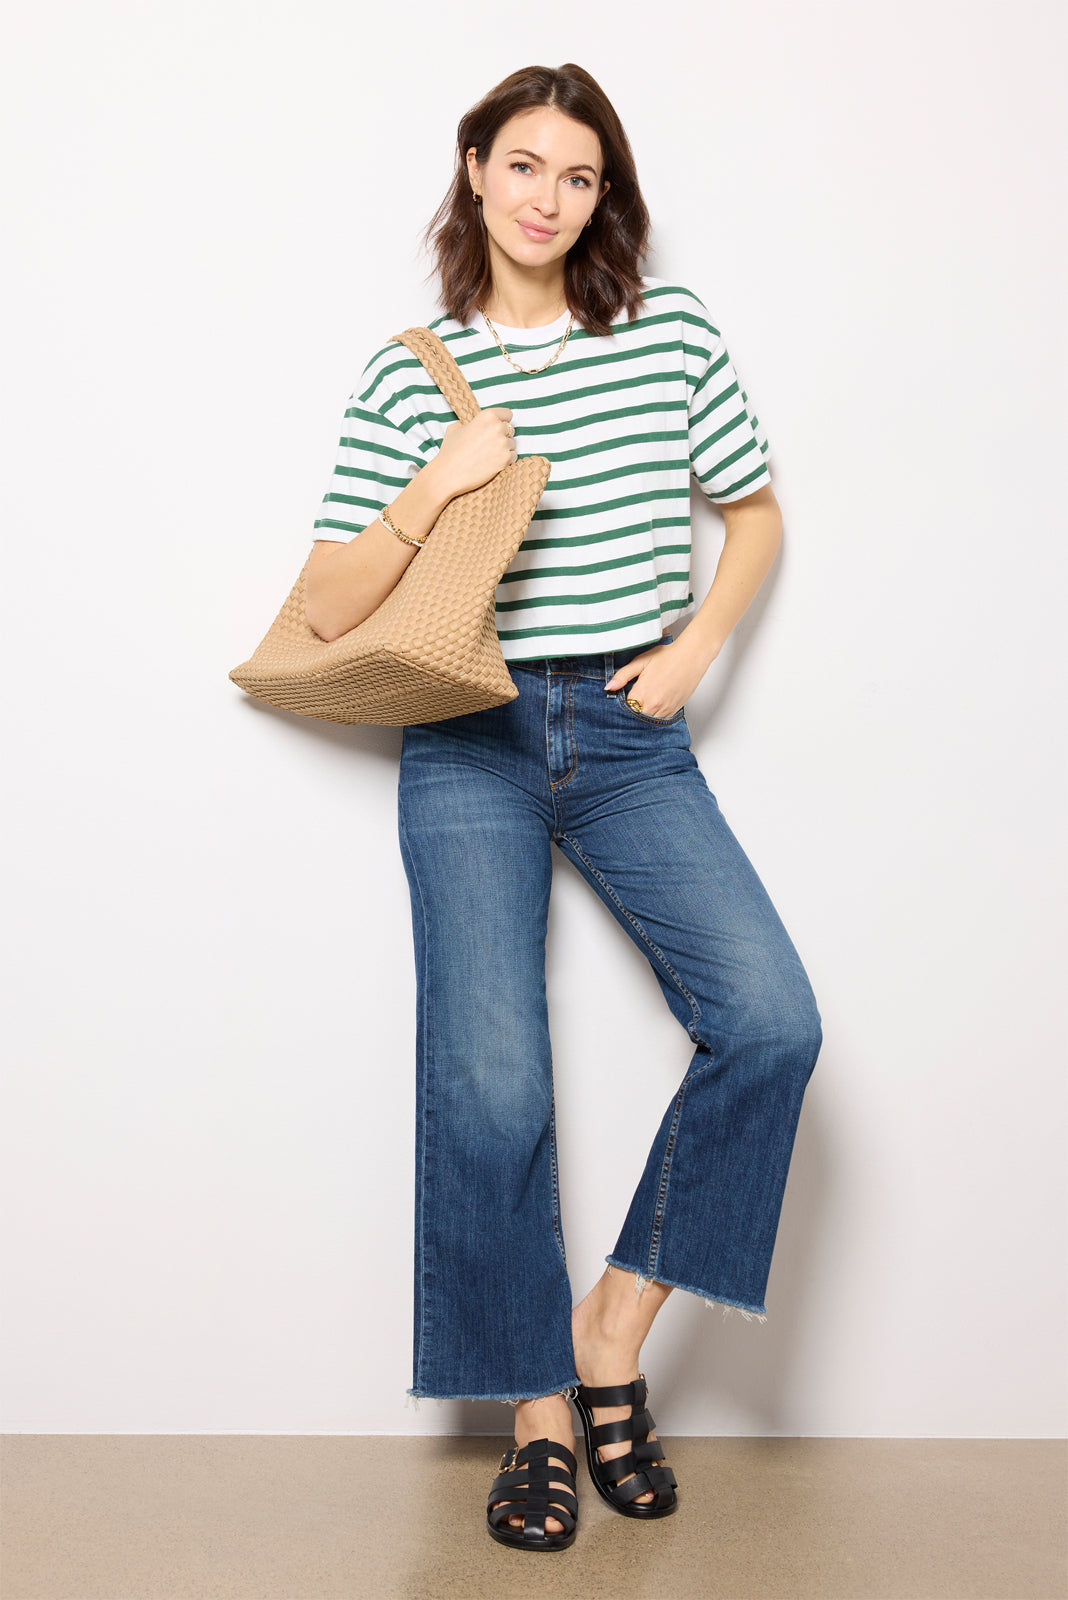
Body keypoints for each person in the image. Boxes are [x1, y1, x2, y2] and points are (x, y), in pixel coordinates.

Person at [303, 62, 821, 1553]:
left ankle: (607, 1331)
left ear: (605, 198)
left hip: (629, 729)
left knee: (772, 1021)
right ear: (474, 168)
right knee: (490, 1086)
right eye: (523, 164)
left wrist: (696, 648)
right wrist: (433, 486)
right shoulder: (412, 372)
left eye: (578, 176)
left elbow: (754, 512)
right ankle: (537, 1414)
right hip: (468, 734)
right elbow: (329, 602)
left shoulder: (669, 331)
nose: (546, 197)